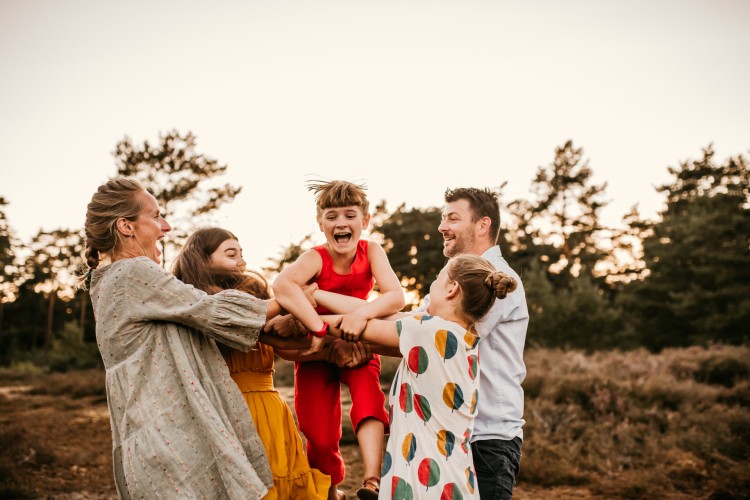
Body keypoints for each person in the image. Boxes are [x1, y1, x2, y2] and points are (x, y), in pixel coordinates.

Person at [82, 178, 276, 499]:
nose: (167, 226)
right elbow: (210, 310)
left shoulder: (107, 280)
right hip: (172, 446)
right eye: (156, 216)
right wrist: (288, 298)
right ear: (126, 226)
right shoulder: (134, 272)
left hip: (152, 442)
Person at [316, 254, 517, 499]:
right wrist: (315, 295)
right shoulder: (459, 336)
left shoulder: (429, 331)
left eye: (437, 278)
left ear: (452, 288)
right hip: (454, 481)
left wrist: (299, 312)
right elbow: (369, 313)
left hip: (422, 483)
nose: (432, 285)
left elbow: (354, 326)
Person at [172, 227, 331, 499]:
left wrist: (332, 346)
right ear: (202, 259)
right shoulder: (206, 305)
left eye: (242, 254)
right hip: (235, 410)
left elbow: (284, 346)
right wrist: (294, 296)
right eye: (231, 254)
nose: (242, 261)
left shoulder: (253, 296)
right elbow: (269, 332)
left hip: (272, 407)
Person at [271, 180, 405, 500]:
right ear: (320, 223)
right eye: (331, 216)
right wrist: (318, 330)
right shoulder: (315, 257)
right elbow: (282, 285)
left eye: (349, 215)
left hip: (358, 341)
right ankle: (330, 490)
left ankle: (372, 479)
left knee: (369, 399)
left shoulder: (371, 250)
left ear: (365, 221)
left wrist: (361, 315)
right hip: (318, 349)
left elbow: (396, 296)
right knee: (317, 430)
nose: (341, 223)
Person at [432, 187, 529, 499]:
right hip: (456, 435)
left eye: (452, 218)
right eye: (442, 218)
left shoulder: (498, 281)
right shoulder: (454, 279)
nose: (441, 226)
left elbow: (437, 334)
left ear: (483, 225)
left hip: (488, 440)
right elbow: (415, 321)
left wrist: (345, 326)